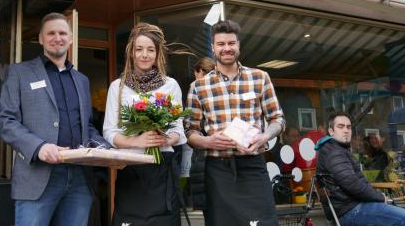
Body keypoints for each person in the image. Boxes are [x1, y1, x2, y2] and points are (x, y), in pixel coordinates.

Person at [0, 12, 109, 226]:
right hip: (38, 177)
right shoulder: (20, 73)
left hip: (79, 178)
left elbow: (86, 127)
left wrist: (106, 150)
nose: (57, 37)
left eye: (62, 33)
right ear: (40, 38)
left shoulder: (82, 80)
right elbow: (6, 120)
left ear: (71, 38)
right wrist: (39, 147)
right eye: (51, 33)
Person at [186, 20, 285, 226]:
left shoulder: (260, 78)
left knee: (264, 223)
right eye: (221, 44)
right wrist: (208, 142)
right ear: (213, 48)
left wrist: (265, 136)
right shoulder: (199, 87)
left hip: (253, 166)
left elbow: (278, 119)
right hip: (217, 170)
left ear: (238, 45)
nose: (227, 48)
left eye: (231, 43)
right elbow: (190, 131)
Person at [103, 23, 188, 226]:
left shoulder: (170, 85)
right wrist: (137, 141)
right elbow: (109, 131)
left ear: (157, 53)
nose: (144, 55)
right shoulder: (118, 87)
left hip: (162, 170)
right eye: (139, 49)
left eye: (150, 49)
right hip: (131, 168)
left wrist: (165, 138)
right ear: (131, 52)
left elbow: (178, 130)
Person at [316, 111, 405, 226]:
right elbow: (352, 184)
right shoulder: (334, 152)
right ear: (331, 131)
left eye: (348, 127)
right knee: (404, 218)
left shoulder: (337, 149)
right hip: (350, 210)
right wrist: (380, 197)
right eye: (341, 126)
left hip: (353, 207)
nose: (346, 130)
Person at [188, 57, 216, 215]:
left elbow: (192, 124)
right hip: (224, 154)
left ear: (200, 71)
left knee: (210, 210)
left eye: (195, 73)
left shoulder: (196, 87)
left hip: (204, 152)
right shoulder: (223, 85)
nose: (195, 77)